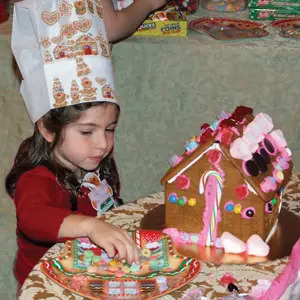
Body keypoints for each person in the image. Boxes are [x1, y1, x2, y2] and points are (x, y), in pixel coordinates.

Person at [6, 0, 165, 290]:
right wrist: (91, 226)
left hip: (94, 279)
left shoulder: (95, 164)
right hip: (50, 288)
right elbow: (32, 217)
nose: (103, 143)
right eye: (87, 131)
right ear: (47, 129)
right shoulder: (37, 177)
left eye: (110, 129)